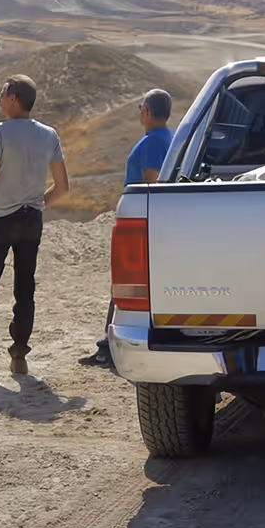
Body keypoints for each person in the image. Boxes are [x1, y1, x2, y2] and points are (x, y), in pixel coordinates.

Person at [0, 74, 69, 376]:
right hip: (31, 219)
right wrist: (38, 203)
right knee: (25, 288)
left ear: (13, 98)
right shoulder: (49, 134)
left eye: (3, 93)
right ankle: (19, 356)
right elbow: (62, 186)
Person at [78, 88, 173, 368]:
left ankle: (109, 348)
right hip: (152, 223)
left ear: (147, 111)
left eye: (140, 108)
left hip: (141, 223)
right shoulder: (168, 138)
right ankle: (109, 345)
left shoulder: (153, 141)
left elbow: (152, 179)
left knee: (126, 286)